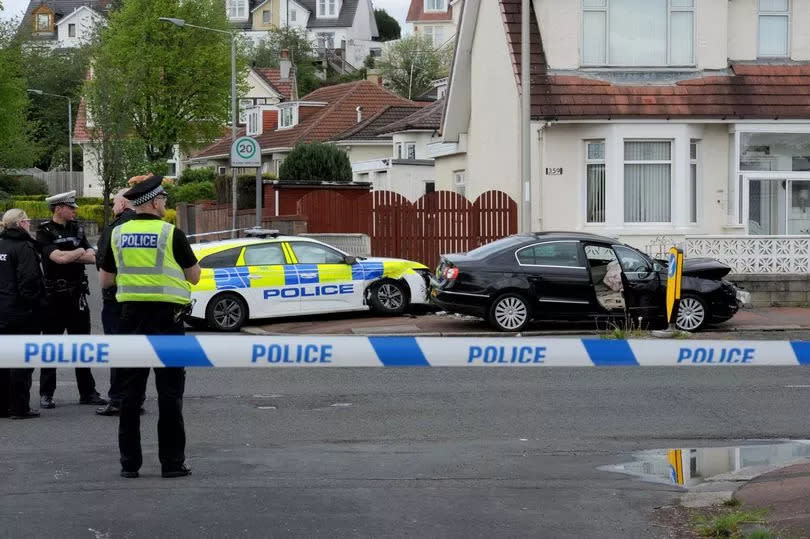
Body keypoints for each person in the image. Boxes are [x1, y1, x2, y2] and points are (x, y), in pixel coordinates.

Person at [99, 175, 201, 479]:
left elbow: (105, 280)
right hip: (167, 322)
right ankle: (172, 463)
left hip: (129, 320)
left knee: (130, 396)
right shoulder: (172, 233)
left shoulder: (118, 233)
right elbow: (194, 276)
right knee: (170, 395)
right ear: (154, 202)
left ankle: (129, 464)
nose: (165, 205)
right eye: (164, 200)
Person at [37, 191, 106, 409]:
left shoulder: (77, 229)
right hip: (54, 298)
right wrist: (77, 252)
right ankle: (46, 393)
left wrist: (70, 255)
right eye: (71, 207)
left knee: (82, 346)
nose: (75, 210)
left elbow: (93, 256)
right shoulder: (44, 231)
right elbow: (57, 258)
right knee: (51, 348)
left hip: (77, 296)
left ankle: (87, 392)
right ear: (59, 208)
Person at [95, 187, 142, 416]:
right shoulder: (150, 226)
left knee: (118, 350)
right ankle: (136, 398)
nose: (113, 207)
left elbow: (102, 262)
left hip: (115, 299)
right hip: (143, 300)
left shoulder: (114, 228)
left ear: (123, 204)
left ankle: (117, 399)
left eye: (114, 203)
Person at [0, 210, 44, 420]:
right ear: (20, 224)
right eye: (27, 220)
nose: (29, 224)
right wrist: (35, 306)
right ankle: (19, 407)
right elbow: (29, 281)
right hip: (20, 312)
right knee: (21, 362)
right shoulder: (24, 247)